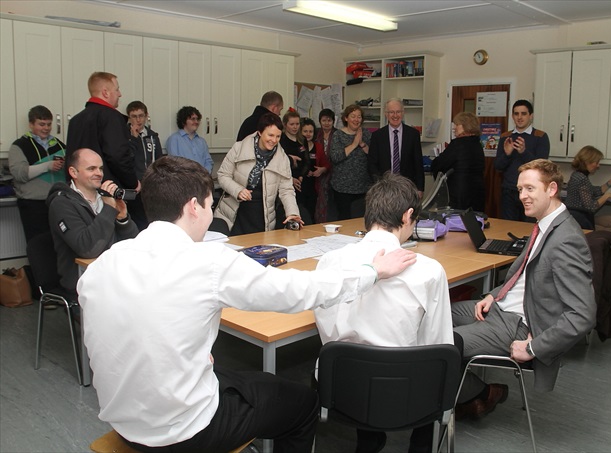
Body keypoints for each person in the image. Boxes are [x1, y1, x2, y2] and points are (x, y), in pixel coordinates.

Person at [77, 154, 417, 452]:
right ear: (193, 207)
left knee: (236, 376)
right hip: (184, 431)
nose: (210, 215)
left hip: (125, 423)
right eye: (210, 205)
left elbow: (124, 332)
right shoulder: (207, 262)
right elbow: (299, 290)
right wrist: (372, 272)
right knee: (303, 404)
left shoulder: (104, 263)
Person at [314, 172, 453, 453]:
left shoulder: (330, 261)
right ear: (408, 215)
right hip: (406, 389)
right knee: (444, 352)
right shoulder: (429, 270)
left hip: (344, 389)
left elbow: (328, 334)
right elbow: (437, 341)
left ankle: (369, 438)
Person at [452, 159, 596, 420]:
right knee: (434, 313)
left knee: (439, 345)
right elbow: (524, 277)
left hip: (517, 324)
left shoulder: (567, 239)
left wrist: (533, 348)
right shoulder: (545, 224)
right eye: (520, 190)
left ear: (551, 189)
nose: (522, 196)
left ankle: (481, 393)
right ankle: (470, 395)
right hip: (500, 308)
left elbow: (582, 315)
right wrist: (493, 295)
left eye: (530, 189)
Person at [47, 148, 138, 302]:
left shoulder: (106, 199)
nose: (99, 173)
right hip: (83, 281)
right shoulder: (61, 204)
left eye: (100, 168)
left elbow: (134, 244)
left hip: (114, 275)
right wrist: (108, 210)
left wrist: (123, 219)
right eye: (91, 169)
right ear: (73, 172)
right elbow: (87, 249)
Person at [214, 113, 302, 235]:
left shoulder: (282, 159)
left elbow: (286, 190)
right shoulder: (239, 148)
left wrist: (292, 213)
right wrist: (238, 190)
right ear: (260, 132)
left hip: (263, 217)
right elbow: (223, 175)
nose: (274, 140)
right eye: (270, 135)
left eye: (278, 136)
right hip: (235, 213)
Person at [565, 145, 611, 275]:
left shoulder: (580, 176)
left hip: (581, 217)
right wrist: (607, 196)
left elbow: (594, 191)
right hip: (579, 221)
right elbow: (591, 207)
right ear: (587, 161)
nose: (598, 165)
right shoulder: (580, 178)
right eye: (596, 162)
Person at [66, 72, 139, 191]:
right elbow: (118, 157)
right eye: (117, 89)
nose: (120, 94)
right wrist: (133, 183)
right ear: (105, 93)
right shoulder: (112, 117)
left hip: (78, 190)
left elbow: (70, 158)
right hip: (107, 190)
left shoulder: (75, 120)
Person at [9, 105, 66, 242]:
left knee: (60, 243)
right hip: (33, 204)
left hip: (58, 201)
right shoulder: (19, 146)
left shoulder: (59, 145)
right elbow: (19, 174)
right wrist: (47, 166)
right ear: (31, 124)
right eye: (41, 124)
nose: (46, 128)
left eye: (49, 124)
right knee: (37, 244)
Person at [494, 100, 550, 221]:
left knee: (529, 228)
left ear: (531, 116)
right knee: (508, 227)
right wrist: (507, 154)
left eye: (523, 114)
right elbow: (498, 166)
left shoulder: (540, 136)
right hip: (509, 191)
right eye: (516, 114)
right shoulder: (505, 136)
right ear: (512, 116)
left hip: (531, 192)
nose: (519, 117)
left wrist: (523, 152)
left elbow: (542, 167)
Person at [368, 98, 425, 196]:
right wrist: (379, 184)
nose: (395, 115)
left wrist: (420, 188)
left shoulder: (413, 134)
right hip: (384, 188)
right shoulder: (377, 136)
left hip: (407, 188)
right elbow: (372, 164)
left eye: (398, 112)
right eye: (391, 112)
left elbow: (418, 163)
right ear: (386, 114)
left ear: (403, 113)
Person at [430, 112, 485, 212]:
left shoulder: (458, 144)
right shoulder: (478, 145)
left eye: (457, 124)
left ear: (466, 125)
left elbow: (438, 164)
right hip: (477, 193)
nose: (454, 127)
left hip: (459, 194)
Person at [330, 104, 372, 220]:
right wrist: (354, 144)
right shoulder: (338, 135)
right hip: (342, 188)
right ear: (346, 118)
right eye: (353, 116)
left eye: (359, 117)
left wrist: (362, 144)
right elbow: (335, 157)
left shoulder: (366, 134)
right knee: (345, 219)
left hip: (363, 187)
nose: (356, 119)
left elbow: (373, 156)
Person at [126, 101, 163, 230]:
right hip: (134, 187)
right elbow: (126, 160)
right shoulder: (124, 136)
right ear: (129, 118)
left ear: (146, 116)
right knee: (137, 222)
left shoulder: (152, 136)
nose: (138, 120)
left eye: (141, 116)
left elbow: (159, 160)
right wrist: (134, 139)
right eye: (134, 116)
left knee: (152, 221)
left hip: (152, 186)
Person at [279, 110, 312, 224]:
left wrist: (302, 176)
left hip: (302, 180)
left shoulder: (302, 139)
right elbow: (279, 163)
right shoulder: (281, 139)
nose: (295, 127)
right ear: (285, 124)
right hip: (287, 179)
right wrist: (291, 179)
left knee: (305, 210)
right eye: (292, 124)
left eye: (297, 124)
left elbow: (307, 160)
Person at [166, 106, 213, 173]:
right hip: (183, 178)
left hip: (202, 178)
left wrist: (205, 174)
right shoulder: (174, 140)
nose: (196, 122)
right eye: (193, 119)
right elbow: (174, 164)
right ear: (183, 121)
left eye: (197, 119)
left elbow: (208, 162)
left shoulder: (202, 141)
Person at [313, 108, 336, 223]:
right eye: (324, 120)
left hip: (334, 171)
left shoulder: (337, 134)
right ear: (320, 121)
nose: (327, 123)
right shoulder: (315, 134)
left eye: (329, 120)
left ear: (333, 121)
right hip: (318, 170)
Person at [300, 117, 319, 224]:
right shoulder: (299, 145)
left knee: (311, 213)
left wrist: (321, 170)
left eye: (310, 131)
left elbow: (326, 164)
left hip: (313, 185)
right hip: (300, 184)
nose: (308, 134)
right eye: (305, 131)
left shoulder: (318, 146)